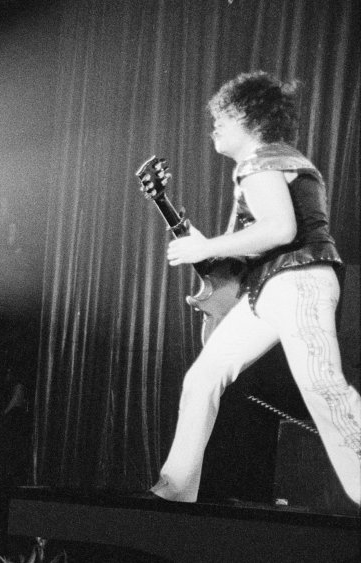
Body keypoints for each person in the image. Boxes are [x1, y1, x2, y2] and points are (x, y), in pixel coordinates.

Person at [150, 71, 360, 506]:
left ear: (247, 117)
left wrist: (205, 245)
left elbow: (280, 229)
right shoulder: (270, 163)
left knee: (325, 390)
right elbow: (251, 246)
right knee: (202, 378)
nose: (213, 127)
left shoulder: (262, 160)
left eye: (220, 119)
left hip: (297, 281)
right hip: (270, 289)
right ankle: (173, 492)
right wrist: (204, 249)